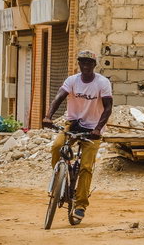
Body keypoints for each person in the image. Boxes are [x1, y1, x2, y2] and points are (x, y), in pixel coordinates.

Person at [42, 50, 113, 223]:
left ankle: (80, 205)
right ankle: (60, 179)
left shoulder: (102, 83)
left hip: (93, 129)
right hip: (73, 123)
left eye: (89, 63)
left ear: (94, 65)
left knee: (86, 167)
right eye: (83, 62)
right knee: (57, 147)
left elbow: (108, 107)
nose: (86, 66)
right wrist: (48, 116)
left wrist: (98, 128)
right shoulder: (72, 80)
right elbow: (58, 98)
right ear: (79, 64)